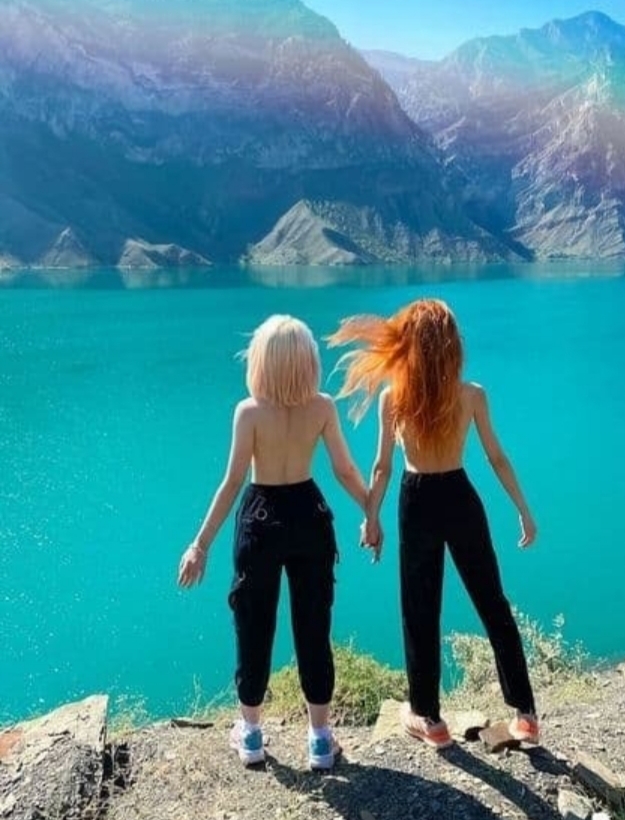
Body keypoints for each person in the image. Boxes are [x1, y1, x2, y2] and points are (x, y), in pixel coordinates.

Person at [328, 298, 539, 749]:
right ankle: (525, 715)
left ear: (409, 346)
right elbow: (496, 457)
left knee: (420, 610)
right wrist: (523, 508)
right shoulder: (472, 394)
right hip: (461, 497)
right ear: (450, 345)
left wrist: (371, 518)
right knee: (492, 602)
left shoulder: (393, 398)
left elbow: (382, 468)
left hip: (417, 500)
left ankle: (431, 721)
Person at [178, 315, 368, 770]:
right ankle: (319, 739)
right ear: (307, 362)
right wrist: (371, 511)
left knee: (253, 624)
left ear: (261, 362)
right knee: (314, 626)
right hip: (309, 516)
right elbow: (344, 470)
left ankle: (251, 734)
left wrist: (199, 545)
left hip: (260, 520)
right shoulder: (322, 407)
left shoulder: (248, 412)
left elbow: (232, 482)